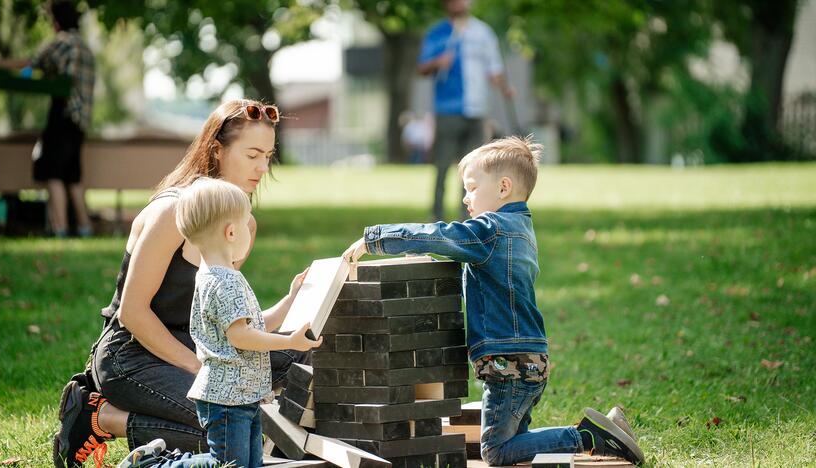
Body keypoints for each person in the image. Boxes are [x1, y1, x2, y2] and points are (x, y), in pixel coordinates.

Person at [343, 136, 645, 466]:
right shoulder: (522, 228)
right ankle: (611, 429)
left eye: (472, 187)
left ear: (503, 187)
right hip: (531, 358)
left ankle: (589, 437)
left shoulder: (490, 231)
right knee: (518, 445)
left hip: (508, 366)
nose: (465, 196)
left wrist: (377, 239)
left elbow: (439, 236)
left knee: (496, 451)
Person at [52, 99, 311, 468]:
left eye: (268, 156)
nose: (262, 167)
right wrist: (201, 369)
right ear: (217, 150)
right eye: (253, 154)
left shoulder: (243, 224)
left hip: (198, 346)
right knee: (225, 430)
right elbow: (132, 313)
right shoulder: (172, 211)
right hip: (132, 355)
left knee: (297, 361)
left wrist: (292, 304)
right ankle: (99, 418)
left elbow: (230, 323)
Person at [114, 177, 322, 468]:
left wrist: (289, 299)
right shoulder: (223, 283)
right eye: (247, 226)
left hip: (241, 393)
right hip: (227, 399)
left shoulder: (217, 275)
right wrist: (290, 342)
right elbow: (242, 337)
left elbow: (256, 327)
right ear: (232, 231)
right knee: (225, 464)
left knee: (248, 463)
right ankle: (152, 465)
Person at [0, 0, 96, 237]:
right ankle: (84, 229)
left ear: (56, 21)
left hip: (63, 115)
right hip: (80, 122)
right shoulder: (85, 48)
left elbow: (31, 63)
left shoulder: (63, 43)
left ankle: (60, 230)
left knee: (54, 174)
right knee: (73, 177)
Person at [418, 0, 513, 221]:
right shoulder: (437, 33)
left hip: (477, 111)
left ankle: (468, 220)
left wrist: (506, 88)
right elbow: (422, 67)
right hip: (447, 110)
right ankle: (437, 218)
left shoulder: (483, 32)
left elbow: (494, 69)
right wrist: (437, 63)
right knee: (442, 166)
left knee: (475, 170)